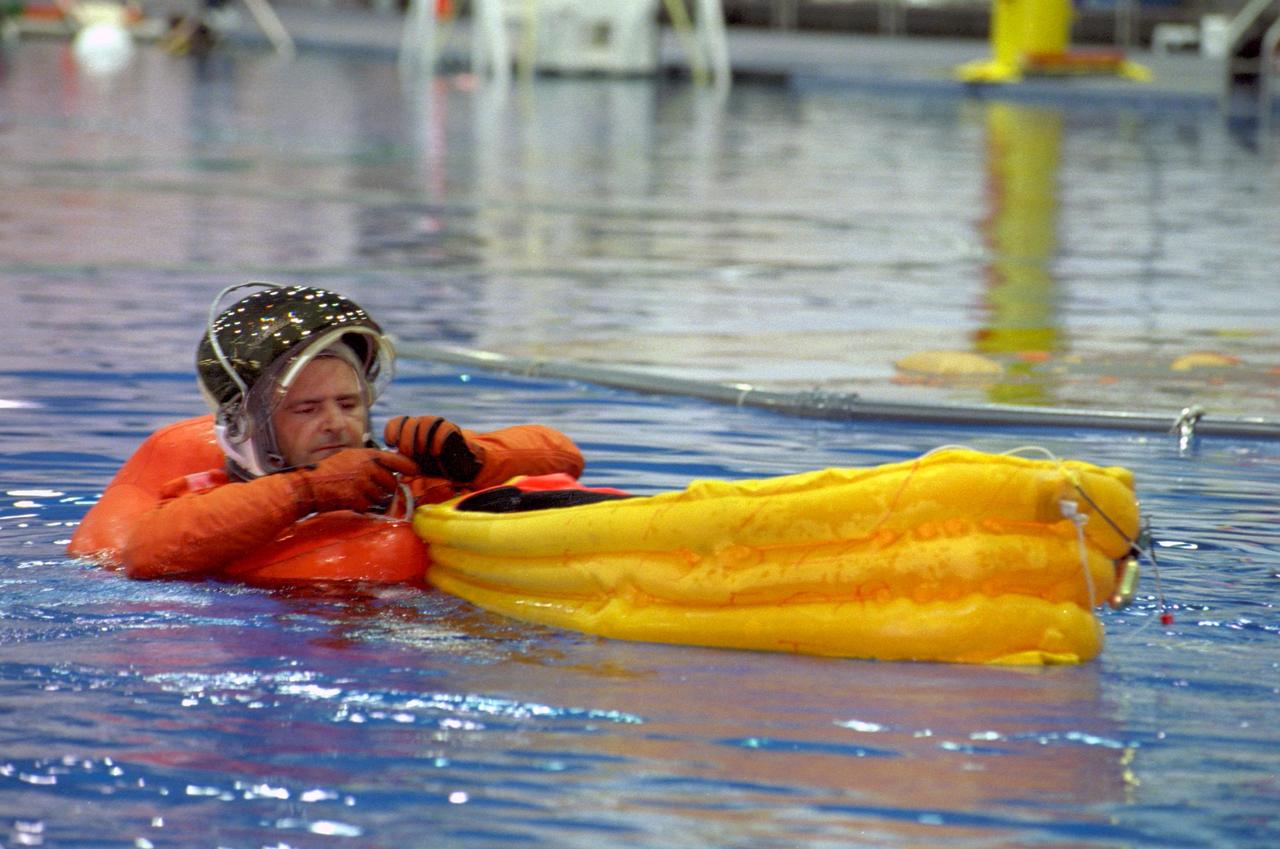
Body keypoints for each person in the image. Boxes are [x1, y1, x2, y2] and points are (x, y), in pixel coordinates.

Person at [68, 283, 584, 580]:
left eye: (347, 403)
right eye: (306, 409)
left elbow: (563, 457)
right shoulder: (208, 497)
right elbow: (146, 552)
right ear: (249, 425)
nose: (336, 422)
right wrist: (306, 491)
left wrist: (475, 459)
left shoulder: (401, 479)